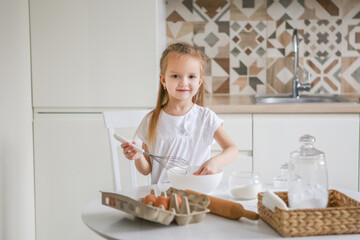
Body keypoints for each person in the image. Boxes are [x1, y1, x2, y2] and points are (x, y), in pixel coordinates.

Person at [121, 42, 238, 184]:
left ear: (200, 82)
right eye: (176, 76)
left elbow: (232, 150)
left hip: (196, 194)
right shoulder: (151, 120)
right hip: (163, 197)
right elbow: (146, 170)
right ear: (163, 80)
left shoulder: (206, 118)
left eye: (191, 77)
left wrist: (214, 162)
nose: (184, 82)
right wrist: (138, 157)